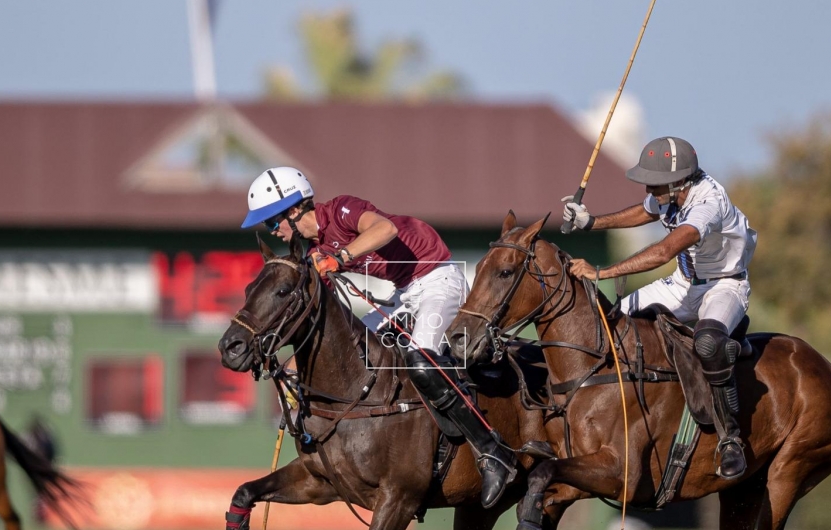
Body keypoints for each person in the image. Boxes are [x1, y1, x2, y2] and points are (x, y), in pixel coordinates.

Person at [241, 166, 514, 508]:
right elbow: (322, 322)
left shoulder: (340, 210)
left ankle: (492, 450)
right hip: (405, 295)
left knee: (420, 356)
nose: (273, 231)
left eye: (272, 221)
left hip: (437, 280)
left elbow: (386, 228)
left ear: (295, 210)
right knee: (353, 353)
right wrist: (292, 368)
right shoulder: (312, 251)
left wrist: (340, 257)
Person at [561, 137, 756, 480]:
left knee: (708, 344)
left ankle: (730, 440)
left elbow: (665, 250)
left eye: (654, 181)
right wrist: (591, 223)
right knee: (610, 323)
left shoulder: (707, 202)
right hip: (684, 282)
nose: (648, 187)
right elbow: (645, 210)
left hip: (725, 284)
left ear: (679, 181)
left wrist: (603, 272)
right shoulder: (672, 191)